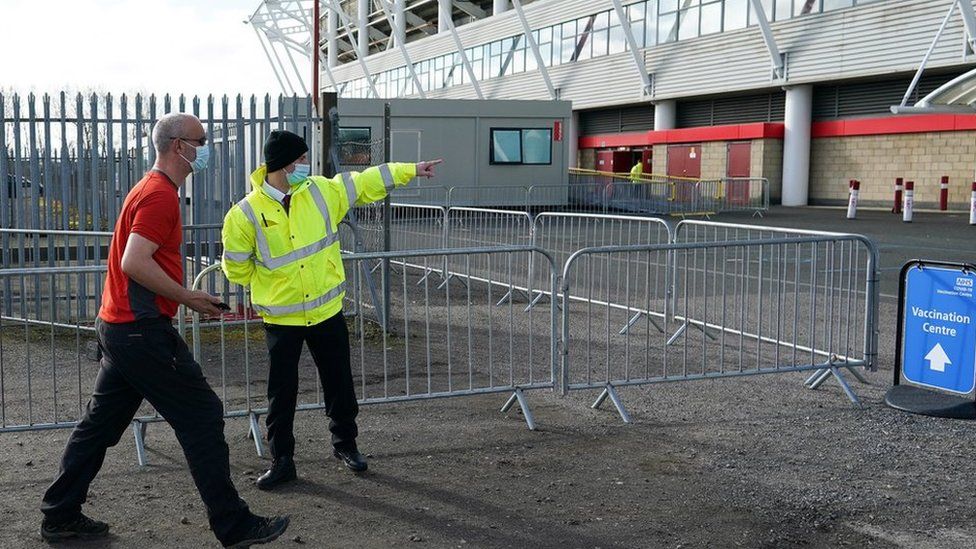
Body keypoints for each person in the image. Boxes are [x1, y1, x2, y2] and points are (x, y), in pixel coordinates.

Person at [39, 113, 290, 548]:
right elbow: (133, 262)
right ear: (179, 146)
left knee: (97, 427)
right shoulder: (159, 196)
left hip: (120, 328)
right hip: (140, 332)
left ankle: (60, 514)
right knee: (203, 417)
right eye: (202, 140)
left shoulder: (149, 189)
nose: (208, 147)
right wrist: (189, 296)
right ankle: (235, 526)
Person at [221, 130, 441, 490]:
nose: (306, 165)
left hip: (326, 311)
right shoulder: (244, 214)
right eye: (300, 160)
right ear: (284, 164)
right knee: (282, 393)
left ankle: (346, 445)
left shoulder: (322, 191)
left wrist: (410, 170)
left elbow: (367, 181)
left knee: (339, 383)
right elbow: (236, 268)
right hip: (283, 317)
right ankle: (283, 460)